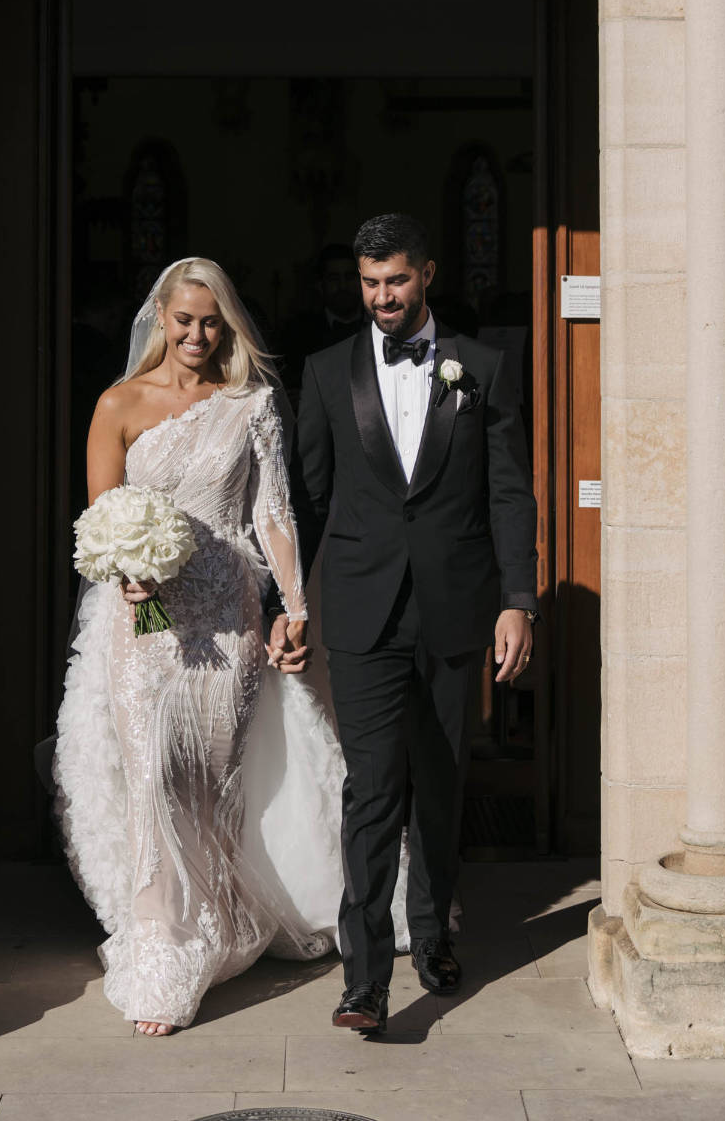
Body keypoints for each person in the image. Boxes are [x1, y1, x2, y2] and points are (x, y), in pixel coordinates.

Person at [54, 257, 390, 1036]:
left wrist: (296, 606)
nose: (198, 335)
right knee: (152, 776)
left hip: (229, 615)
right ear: (161, 318)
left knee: (208, 781)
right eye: (185, 320)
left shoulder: (253, 405)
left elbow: (273, 515)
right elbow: (102, 515)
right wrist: (126, 571)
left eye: (212, 321)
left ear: (227, 323)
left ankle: (221, 922)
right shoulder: (119, 403)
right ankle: (165, 948)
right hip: (143, 620)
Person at [278, 212, 538, 1035]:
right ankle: (364, 981)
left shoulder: (484, 368)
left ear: (425, 273)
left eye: (395, 280)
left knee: (441, 784)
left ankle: (431, 936)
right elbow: (308, 500)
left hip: (458, 608)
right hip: (361, 612)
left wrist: (517, 600)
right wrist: (285, 604)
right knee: (372, 792)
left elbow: (509, 491)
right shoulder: (324, 373)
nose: (382, 297)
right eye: (369, 283)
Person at [279, 243, 364, 393]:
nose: (343, 286)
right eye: (334, 279)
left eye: (350, 277)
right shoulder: (297, 333)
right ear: (320, 285)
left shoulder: (381, 327)